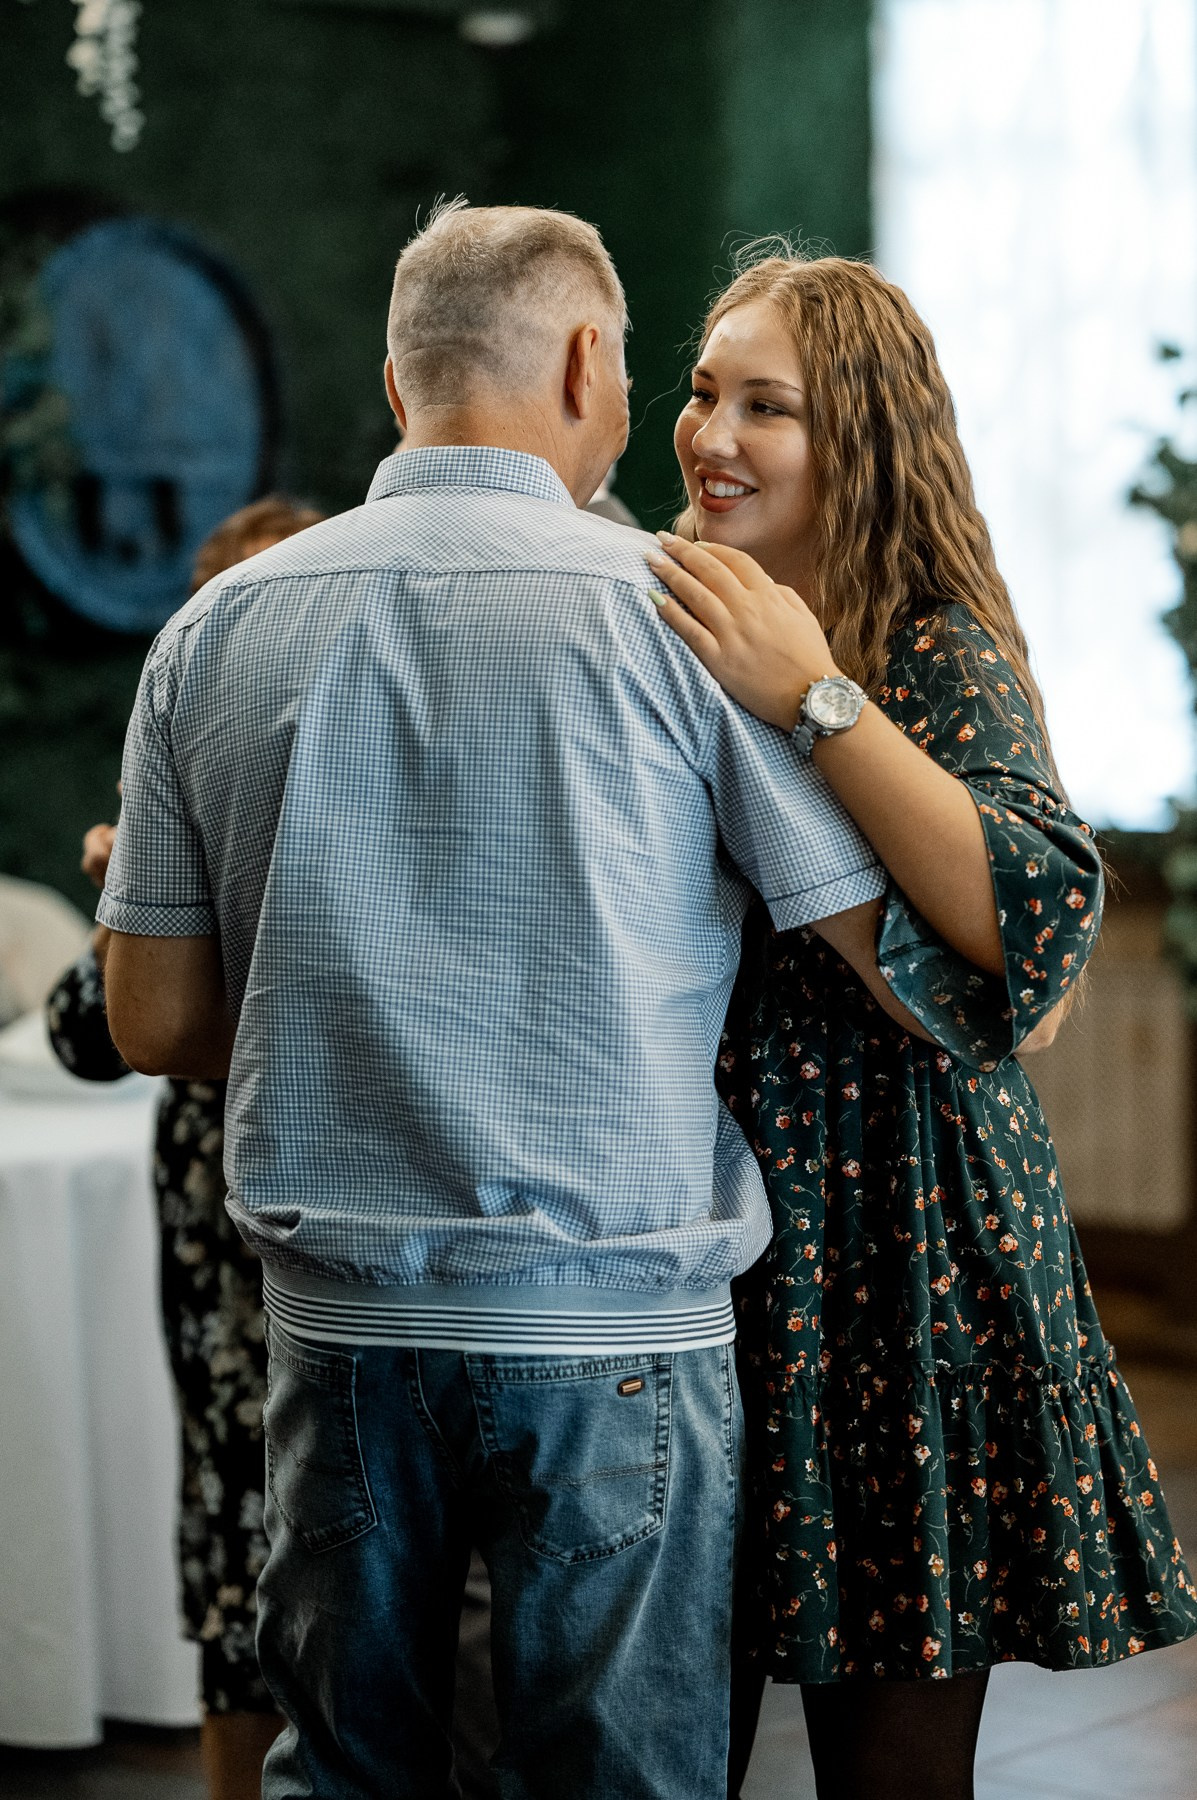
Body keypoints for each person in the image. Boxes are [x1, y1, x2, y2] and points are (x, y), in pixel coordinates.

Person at [91, 202, 916, 1800]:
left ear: (400, 389)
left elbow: (152, 1024)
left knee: (348, 1777)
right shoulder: (681, 615)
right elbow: (871, 949)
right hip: (614, 1323)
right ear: (591, 363)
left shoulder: (212, 631)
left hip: (339, 1334)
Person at [644, 248, 1197, 1800]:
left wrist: (812, 694)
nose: (712, 435)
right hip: (698, 1232)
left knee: (888, 1766)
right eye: (700, 392)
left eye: (769, 406)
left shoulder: (929, 643)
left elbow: (1032, 921)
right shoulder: (666, 609)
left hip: (901, 1243)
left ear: (862, 443)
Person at [45, 496, 323, 1800]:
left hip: (325, 1241)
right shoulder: (166, 784)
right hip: (220, 1280)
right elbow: (82, 1037)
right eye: (212, 615)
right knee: (231, 1566)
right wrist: (127, 909)